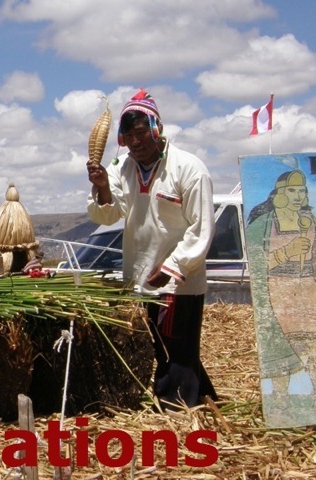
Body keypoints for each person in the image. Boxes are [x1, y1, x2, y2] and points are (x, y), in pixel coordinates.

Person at [86, 88, 217, 410]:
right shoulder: (122, 168)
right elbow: (108, 213)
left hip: (178, 280)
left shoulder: (189, 169)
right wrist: (102, 187)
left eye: (141, 133)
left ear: (156, 130)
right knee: (165, 346)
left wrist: (174, 267)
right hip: (140, 276)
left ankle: (174, 409)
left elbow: (201, 229)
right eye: (127, 135)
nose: (134, 142)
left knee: (176, 349)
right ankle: (205, 401)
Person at [247, 170, 316, 419]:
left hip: (307, 291)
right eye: (292, 191)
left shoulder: (311, 221)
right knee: (277, 348)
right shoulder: (261, 225)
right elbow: (256, 263)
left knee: (310, 346)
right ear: (278, 195)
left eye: (302, 191)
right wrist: (287, 252)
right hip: (276, 291)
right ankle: (280, 405)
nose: (298, 196)